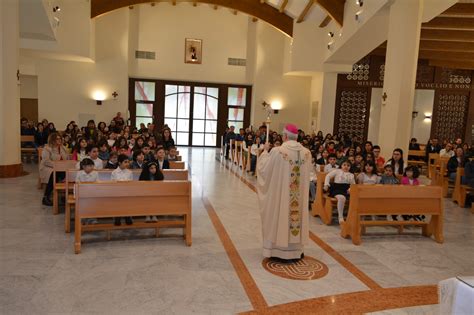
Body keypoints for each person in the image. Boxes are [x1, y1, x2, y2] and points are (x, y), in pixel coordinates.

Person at [256, 123, 312, 261]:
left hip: (282, 197)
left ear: (285, 136)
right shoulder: (307, 153)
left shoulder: (278, 151)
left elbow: (264, 170)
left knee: (280, 214)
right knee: (296, 216)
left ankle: (277, 251)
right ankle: (296, 251)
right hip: (298, 197)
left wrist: (264, 152)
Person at [40, 133, 68, 206]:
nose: (59, 140)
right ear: (52, 140)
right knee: (54, 174)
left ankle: (65, 196)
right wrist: (57, 166)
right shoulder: (47, 148)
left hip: (61, 167)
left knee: (69, 174)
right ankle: (46, 197)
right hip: (48, 167)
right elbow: (46, 161)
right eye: (57, 139)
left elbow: (67, 158)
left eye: (60, 139)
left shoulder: (63, 148)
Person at [324, 160, 356, 224]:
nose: (346, 167)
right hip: (337, 188)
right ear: (341, 165)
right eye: (344, 165)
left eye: (348, 165)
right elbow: (328, 176)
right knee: (342, 198)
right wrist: (326, 184)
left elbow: (353, 184)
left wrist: (350, 189)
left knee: (353, 198)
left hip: (345, 189)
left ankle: (352, 217)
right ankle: (340, 217)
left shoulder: (351, 175)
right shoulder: (337, 171)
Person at [75, 158, 99, 224]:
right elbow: (76, 185)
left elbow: (97, 185)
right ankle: (83, 217)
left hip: (92, 193)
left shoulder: (95, 173)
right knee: (83, 202)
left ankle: (92, 218)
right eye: (90, 166)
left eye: (92, 166)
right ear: (84, 167)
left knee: (93, 202)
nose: (92, 167)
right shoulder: (79, 173)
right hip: (81, 193)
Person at [111, 154, 133, 225]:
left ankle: (128, 216)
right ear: (120, 163)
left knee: (127, 202)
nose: (127, 164)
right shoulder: (114, 172)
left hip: (127, 192)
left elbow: (131, 183)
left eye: (128, 162)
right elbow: (112, 184)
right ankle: (117, 217)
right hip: (117, 192)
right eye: (125, 162)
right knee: (118, 203)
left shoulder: (130, 172)